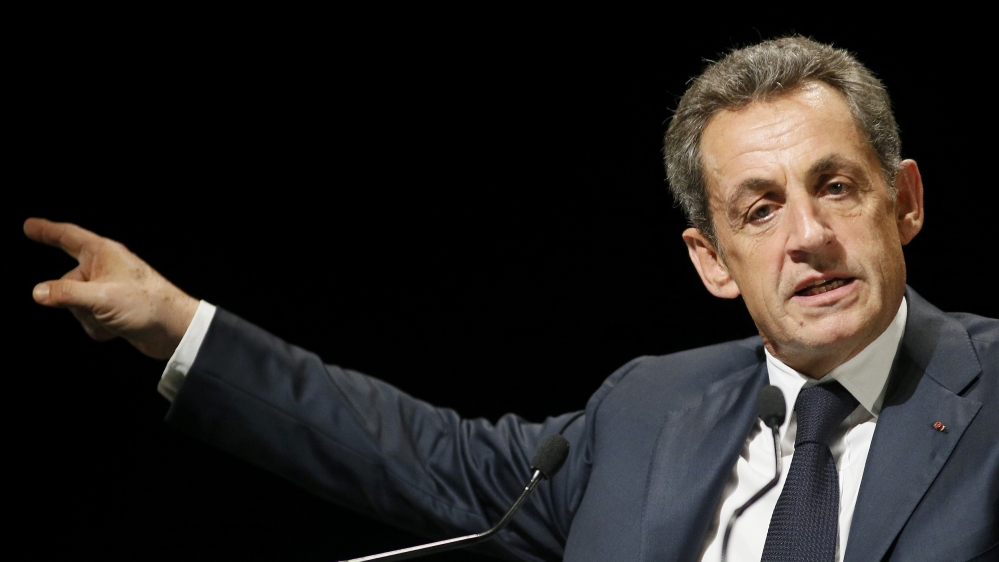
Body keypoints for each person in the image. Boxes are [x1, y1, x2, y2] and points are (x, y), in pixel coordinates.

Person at [24, 36, 997, 561]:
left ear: (902, 201)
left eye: (835, 187)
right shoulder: (643, 412)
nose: (807, 237)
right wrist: (176, 324)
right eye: (760, 209)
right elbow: (418, 455)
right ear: (711, 259)